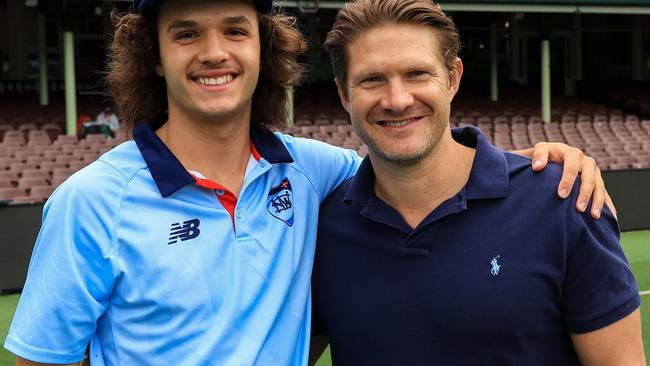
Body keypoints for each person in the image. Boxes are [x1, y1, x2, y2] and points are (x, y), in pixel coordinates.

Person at [4, 0, 614, 365]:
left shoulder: (315, 171)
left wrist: (539, 160)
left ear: (264, 49)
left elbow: (418, 152)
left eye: (235, 30)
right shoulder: (88, 204)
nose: (214, 52)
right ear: (154, 55)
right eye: (186, 32)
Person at [311, 1, 645, 365]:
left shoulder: (562, 200)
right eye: (372, 79)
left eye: (418, 74)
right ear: (344, 93)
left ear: (453, 78)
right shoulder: (320, 227)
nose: (398, 100)